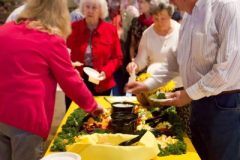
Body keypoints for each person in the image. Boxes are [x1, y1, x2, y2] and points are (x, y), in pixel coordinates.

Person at [126, 0, 240, 159]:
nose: (170, 2)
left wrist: (189, 94)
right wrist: (147, 84)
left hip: (224, 104)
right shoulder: (189, 15)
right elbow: (176, 60)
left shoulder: (226, 5)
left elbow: (228, 68)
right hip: (200, 101)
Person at [0, 0, 103, 159]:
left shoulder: (5, 30)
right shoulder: (50, 40)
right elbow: (70, 81)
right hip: (27, 118)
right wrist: (93, 106)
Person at [66, 0, 123, 108]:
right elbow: (65, 52)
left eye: (94, 8)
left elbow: (118, 57)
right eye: (87, 7)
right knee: (74, 116)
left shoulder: (110, 30)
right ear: (83, 8)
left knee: (98, 118)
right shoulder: (73, 28)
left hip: (101, 80)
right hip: (77, 80)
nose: (90, 10)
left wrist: (106, 71)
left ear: (101, 10)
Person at [126, 2, 180, 76]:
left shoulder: (180, 31)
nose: (159, 22)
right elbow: (141, 59)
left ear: (170, 16)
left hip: (178, 82)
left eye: (163, 19)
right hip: (156, 82)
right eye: (156, 18)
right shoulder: (147, 34)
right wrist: (134, 65)